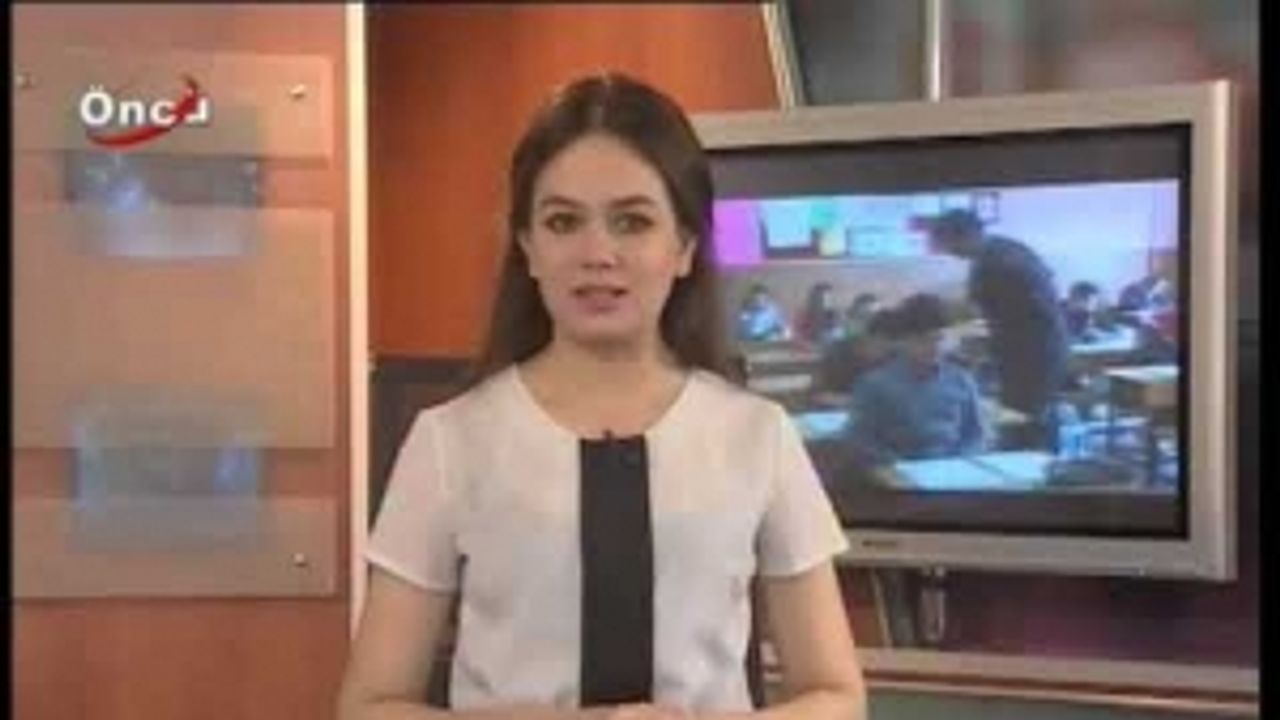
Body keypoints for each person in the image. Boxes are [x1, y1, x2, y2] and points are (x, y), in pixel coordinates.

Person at [339, 74, 866, 720]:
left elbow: (836, 695)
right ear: (528, 247)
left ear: (684, 247)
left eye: (632, 222)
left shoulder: (758, 434)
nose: (597, 253)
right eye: (563, 222)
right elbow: (369, 705)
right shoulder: (451, 440)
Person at [925, 208, 1069, 446]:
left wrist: (925, 317)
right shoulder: (1008, 247)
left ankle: (1026, 460)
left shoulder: (993, 265)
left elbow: (975, 311)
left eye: (947, 244)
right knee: (1035, 412)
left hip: (1030, 352)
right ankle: (1039, 454)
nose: (948, 252)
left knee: (1021, 418)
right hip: (1049, 345)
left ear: (965, 236)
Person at [841, 294, 987, 468]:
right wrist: (895, 464)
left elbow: (976, 434)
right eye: (923, 340)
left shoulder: (961, 380)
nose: (934, 347)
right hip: (899, 469)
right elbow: (858, 439)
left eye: (939, 339)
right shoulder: (874, 385)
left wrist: (961, 460)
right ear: (903, 341)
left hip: (952, 467)